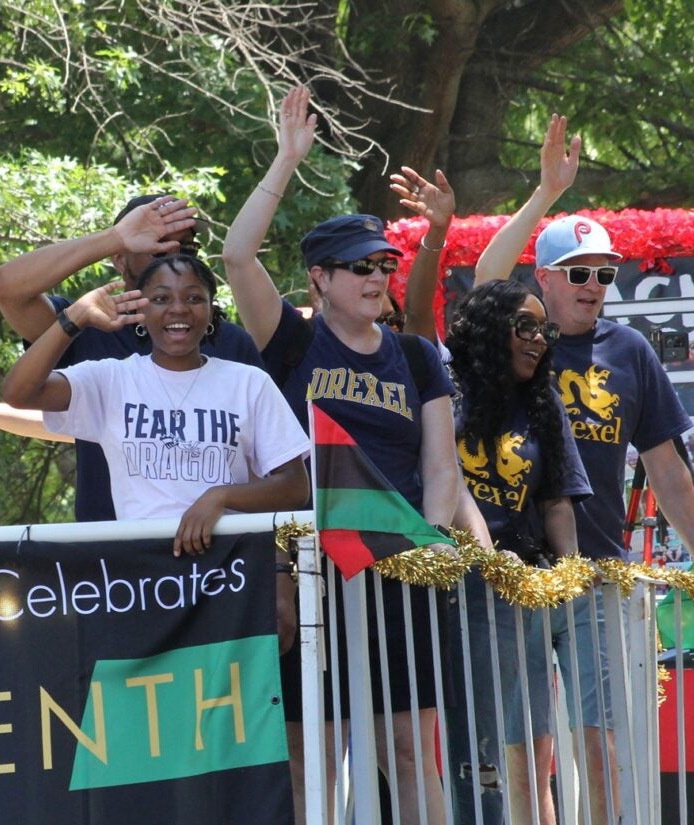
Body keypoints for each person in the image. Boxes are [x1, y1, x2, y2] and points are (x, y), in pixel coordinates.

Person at [468, 113, 694, 823]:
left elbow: (667, 468)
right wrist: (543, 194)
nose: (594, 286)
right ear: (545, 277)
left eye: (604, 274)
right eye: (579, 274)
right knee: (530, 753)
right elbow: (483, 279)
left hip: (599, 575)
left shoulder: (630, 351)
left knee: (603, 745)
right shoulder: (513, 336)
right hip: (516, 572)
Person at [222, 85, 474, 825]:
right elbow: (236, 257)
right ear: (321, 279)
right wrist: (285, 159)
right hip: (308, 572)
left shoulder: (417, 356)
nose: (375, 276)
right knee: (313, 751)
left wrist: (424, 547)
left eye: (383, 262)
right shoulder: (294, 342)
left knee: (406, 745)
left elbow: (440, 466)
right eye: (357, 265)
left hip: (399, 566)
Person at [1, 254, 309, 553]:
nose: (179, 309)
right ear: (141, 311)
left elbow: (294, 487)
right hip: (141, 573)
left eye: (193, 298)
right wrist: (74, 319)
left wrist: (220, 496)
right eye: (161, 299)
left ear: (211, 310)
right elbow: (19, 393)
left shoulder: (249, 382)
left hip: (229, 565)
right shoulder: (112, 378)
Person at [0, 192, 262, 522]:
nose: (175, 258)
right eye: (158, 245)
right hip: (114, 558)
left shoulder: (230, 343)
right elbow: (6, 287)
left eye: (187, 250)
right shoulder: (85, 326)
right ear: (120, 260)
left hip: (218, 558)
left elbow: (271, 467)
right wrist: (114, 238)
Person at [442, 280, 591, 824]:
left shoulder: (541, 400)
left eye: (545, 330)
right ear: (487, 330)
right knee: (475, 746)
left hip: (520, 588)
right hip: (451, 582)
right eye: (524, 327)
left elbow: (555, 502)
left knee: (530, 745)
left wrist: (569, 573)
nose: (538, 340)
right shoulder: (445, 385)